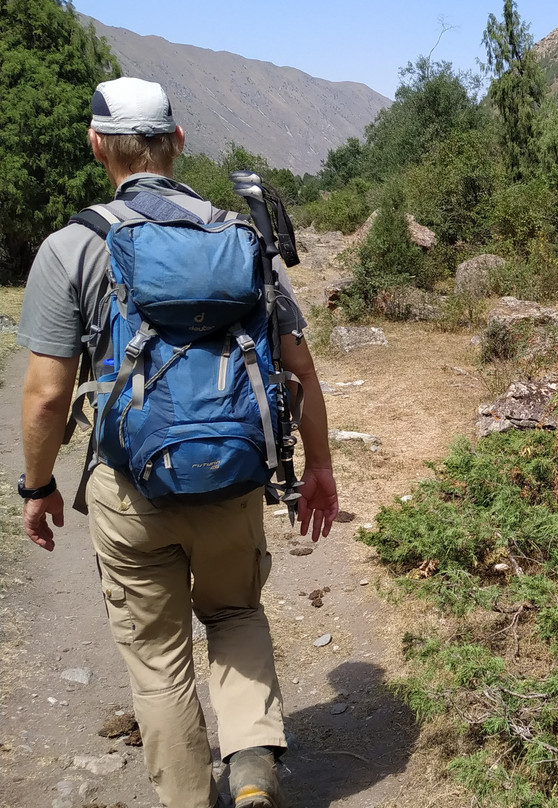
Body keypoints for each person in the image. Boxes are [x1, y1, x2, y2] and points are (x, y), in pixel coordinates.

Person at [16, 76, 339, 808]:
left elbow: (44, 395)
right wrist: (318, 466)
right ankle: (252, 765)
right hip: (233, 477)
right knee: (235, 613)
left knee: (159, 661)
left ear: (97, 144)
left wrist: (37, 488)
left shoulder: (72, 247)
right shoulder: (243, 237)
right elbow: (299, 368)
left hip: (130, 486)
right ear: (178, 141)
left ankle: (191, 797)